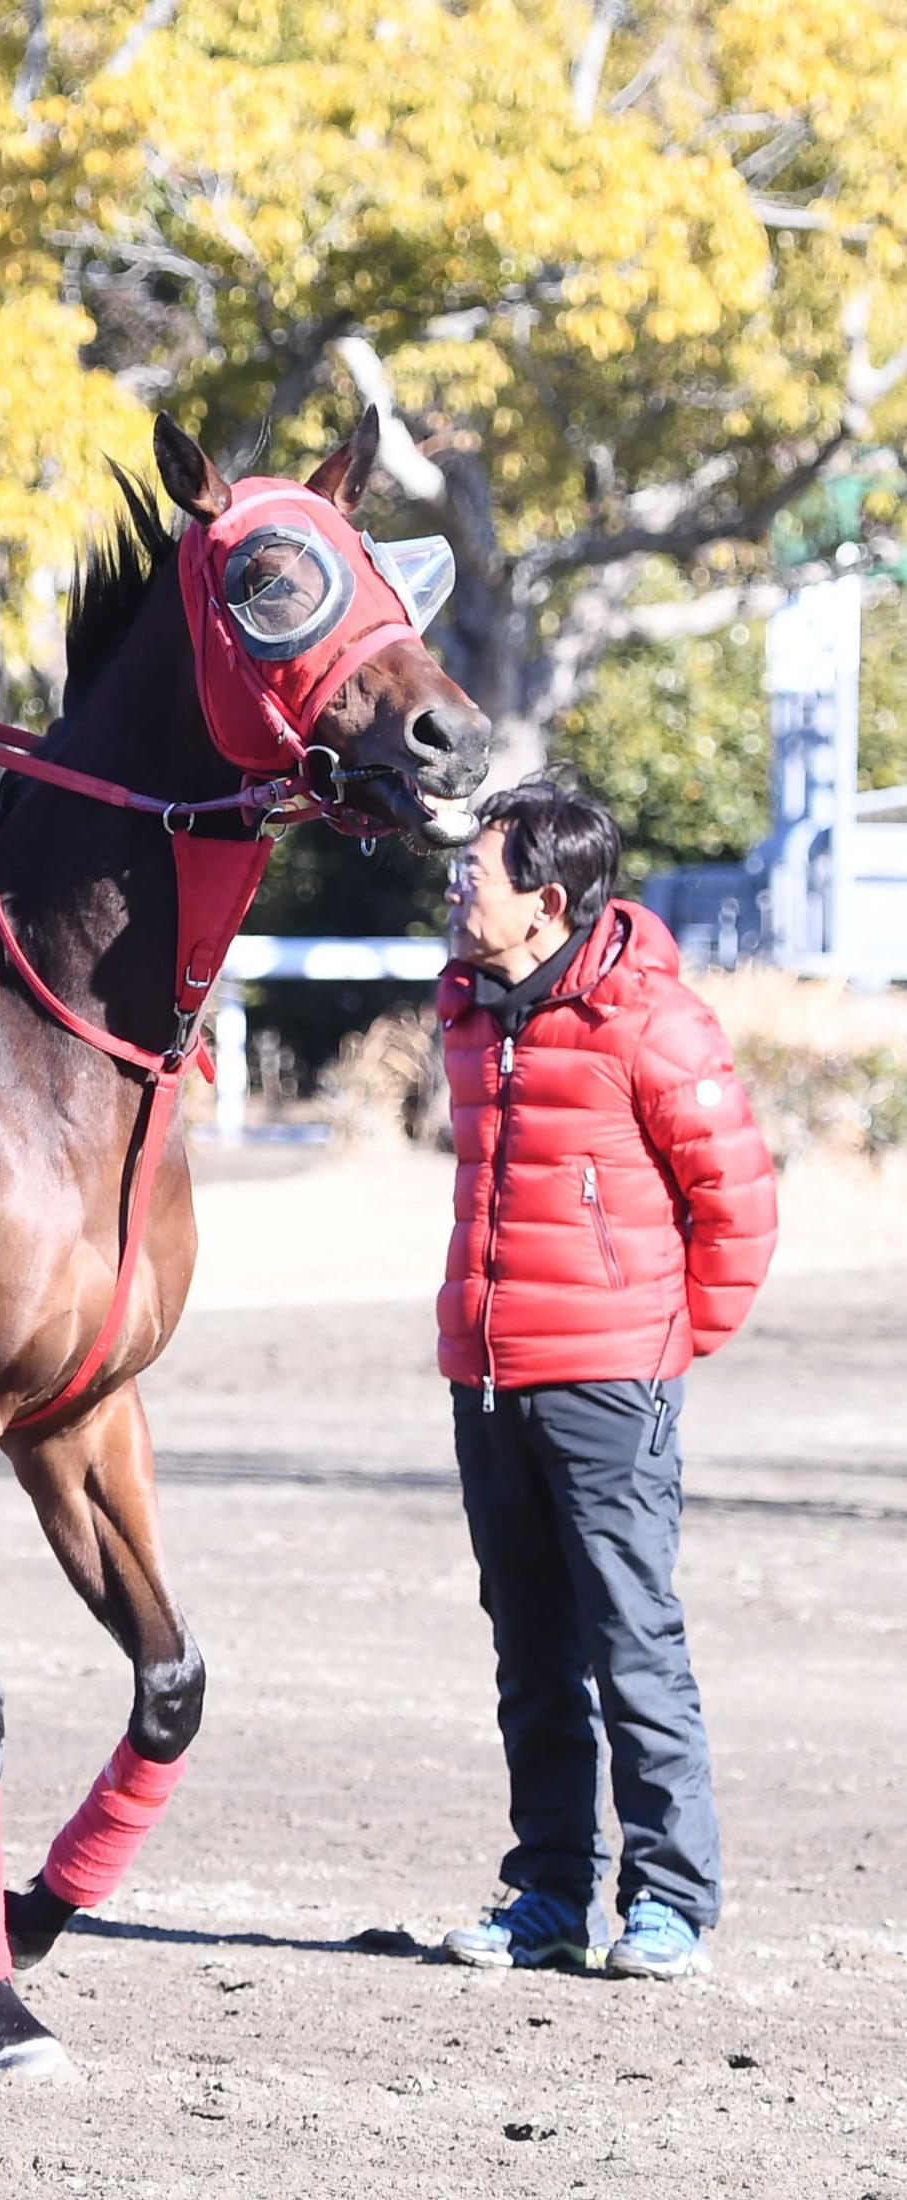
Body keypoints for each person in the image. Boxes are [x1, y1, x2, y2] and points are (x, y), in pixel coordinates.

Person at [434, 778, 777, 1978]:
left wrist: (659, 1344)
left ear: (545, 898)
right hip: (484, 1377)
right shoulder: (468, 1008)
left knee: (630, 1640)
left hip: (606, 1382)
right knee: (526, 1650)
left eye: (472, 872)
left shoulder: (653, 1019)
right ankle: (545, 1895)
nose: (451, 888)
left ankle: (669, 1899)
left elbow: (736, 1205)